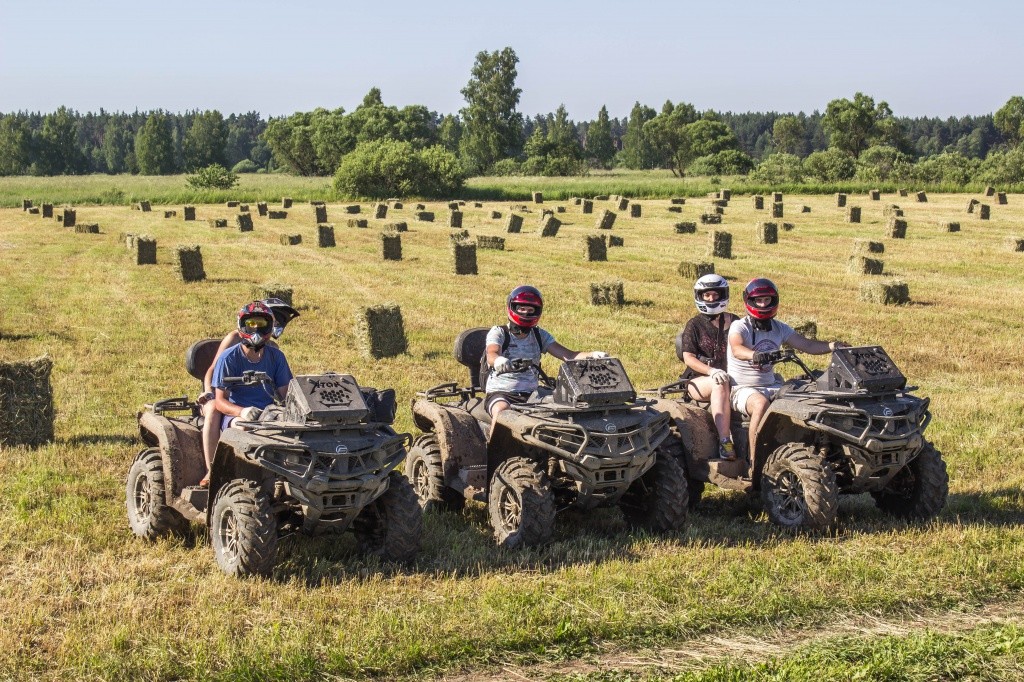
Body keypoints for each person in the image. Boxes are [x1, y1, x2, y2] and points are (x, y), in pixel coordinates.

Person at [727, 278, 848, 470]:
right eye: (758, 300)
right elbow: (736, 348)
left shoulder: (779, 327)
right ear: (749, 301)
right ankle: (754, 461)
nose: (763, 304)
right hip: (741, 388)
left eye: (767, 300)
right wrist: (755, 355)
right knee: (760, 404)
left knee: (804, 398)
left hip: (771, 385)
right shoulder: (740, 326)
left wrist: (833, 346)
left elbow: (807, 345)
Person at [484, 285, 607, 437]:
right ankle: (493, 451)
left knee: (562, 413)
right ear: (512, 307)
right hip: (502, 392)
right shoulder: (499, 332)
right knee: (502, 411)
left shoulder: (539, 335)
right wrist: (498, 361)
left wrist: (592, 355)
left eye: (530, 310)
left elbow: (568, 355)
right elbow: (492, 353)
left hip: (532, 394)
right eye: (521, 308)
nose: (526, 313)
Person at [200, 301, 297, 486]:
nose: (256, 329)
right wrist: (242, 412)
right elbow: (221, 402)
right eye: (251, 324)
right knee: (245, 428)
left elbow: (285, 395)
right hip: (237, 415)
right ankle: (214, 471)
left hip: (269, 413)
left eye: (261, 324)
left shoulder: (277, 356)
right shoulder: (229, 357)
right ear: (242, 324)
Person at [678, 274, 740, 460]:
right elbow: (688, 358)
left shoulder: (736, 321)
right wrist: (711, 371)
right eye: (707, 295)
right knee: (719, 384)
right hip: (698, 380)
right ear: (700, 297)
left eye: (715, 295)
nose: (711, 299)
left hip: (733, 377)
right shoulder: (694, 325)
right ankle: (725, 442)